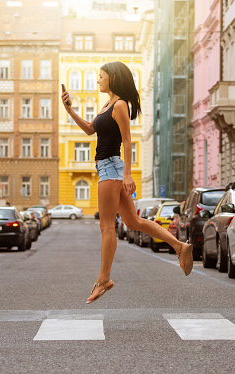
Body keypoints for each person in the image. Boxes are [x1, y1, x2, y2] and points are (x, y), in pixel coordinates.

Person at [61, 61, 193, 304]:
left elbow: (128, 140)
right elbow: (91, 130)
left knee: (107, 227)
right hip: (109, 168)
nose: (98, 80)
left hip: (111, 168)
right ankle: (179, 246)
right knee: (134, 222)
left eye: (101, 76)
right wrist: (69, 110)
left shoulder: (120, 104)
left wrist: (128, 174)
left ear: (112, 77)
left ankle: (103, 279)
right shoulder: (106, 104)